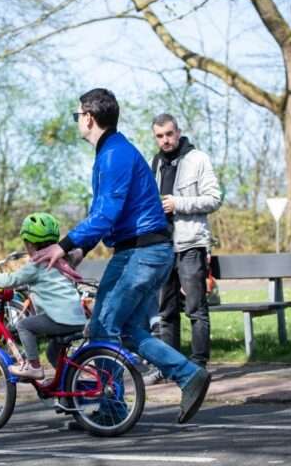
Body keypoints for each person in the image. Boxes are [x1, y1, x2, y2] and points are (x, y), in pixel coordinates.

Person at [32, 88, 211, 424]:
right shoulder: (112, 152)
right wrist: (81, 250)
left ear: (88, 116)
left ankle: (111, 410)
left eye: (77, 116)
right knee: (129, 330)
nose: (77, 122)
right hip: (148, 251)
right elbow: (105, 212)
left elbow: (105, 214)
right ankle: (189, 375)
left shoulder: (114, 155)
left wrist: (64, 244)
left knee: (102, 327)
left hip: (140, 253)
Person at [0, 212, 87, 380]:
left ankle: (34, 367)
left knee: (24, 325)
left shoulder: (36, 265)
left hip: (60, 319)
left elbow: (12, 279)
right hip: (77, 318)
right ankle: (69, 385)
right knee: (52, 353)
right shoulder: (63, 260)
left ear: (30, 244)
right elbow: (78, 253)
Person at [150, 113, 222, 373]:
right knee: (166, 312)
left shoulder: (198, 159)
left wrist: (177, 203)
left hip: (191, 243)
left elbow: (214, 199)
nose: (165, 140)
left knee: (196, 309)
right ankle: (171, 367)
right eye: (160, 136)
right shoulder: (155, 162)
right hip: (162, 246)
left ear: (178, 132)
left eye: (169, 134)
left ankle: (198, 365)